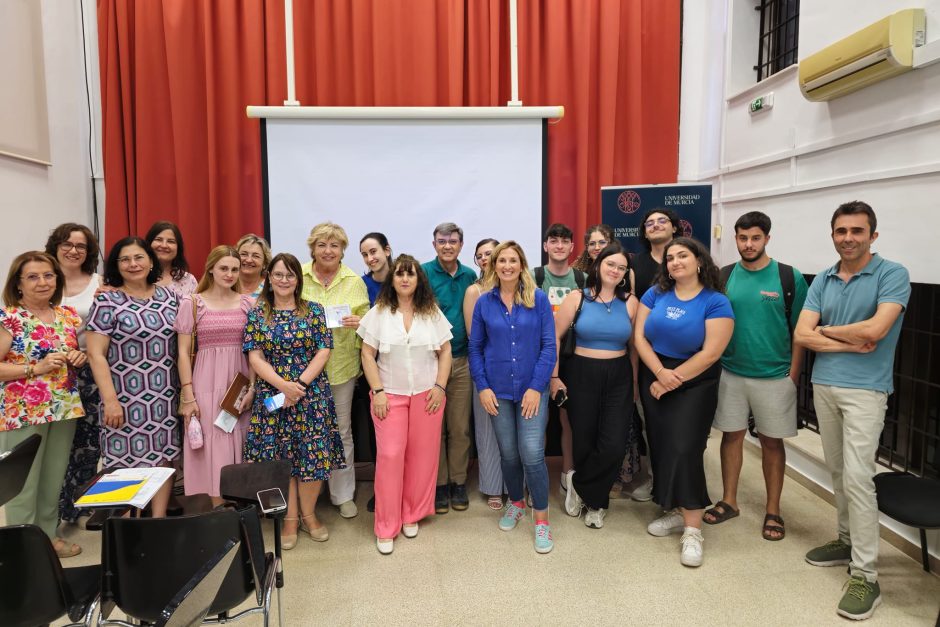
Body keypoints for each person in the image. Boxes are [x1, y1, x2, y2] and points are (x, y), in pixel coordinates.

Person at [794, 201, 910, 621]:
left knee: (860, 478)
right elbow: (802, 334)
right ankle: (845, 539)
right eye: (841, 231)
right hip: (824, 385)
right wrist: (844, 338)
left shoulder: (891, 274)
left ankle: (866, 576)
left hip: (866, 391)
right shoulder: (823, 278)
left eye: (857, 231)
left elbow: (877, 330)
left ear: (872, 236)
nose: (848, 238)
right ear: (833, 235)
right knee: (839, 471)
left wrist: (825, 330)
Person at [705, 211, 808, 542]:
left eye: (755, 238)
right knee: (731, 437)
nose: (748, 244)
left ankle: (773, 510)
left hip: (775, 375)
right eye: (742, 238)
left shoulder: (789, 278)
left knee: (771, 442)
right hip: (731, 372)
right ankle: (729, 501)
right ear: (735, 238)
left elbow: (801, 332)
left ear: (767, 238)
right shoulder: (723, 276)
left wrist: (793, 374)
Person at [634, 237, 734, 567]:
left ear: (700, 261)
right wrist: (660, 373)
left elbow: (712, 352)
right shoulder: (655, 293)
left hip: (695, 381)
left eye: (683, 256)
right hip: (656, 373)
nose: (675, 261)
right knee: (661, 446)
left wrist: (673, 379)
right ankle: (676, 509)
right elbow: (639, 336)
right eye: (671, 257)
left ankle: (693, 529)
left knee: (685, 448)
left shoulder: (716, 301)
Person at [244, 253, 345, 548]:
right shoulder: (258, 313)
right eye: (278, 274)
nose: (284, 280)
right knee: (282, 457)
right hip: (273, 395)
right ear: (269, 279)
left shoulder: (314, 310)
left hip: (310, 394)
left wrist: (298, 385)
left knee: (311, 456)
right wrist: (283, 387)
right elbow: (255, 356)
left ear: (298, 280)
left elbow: (323, 350)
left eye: (290, 275)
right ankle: (289, 518)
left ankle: (309, 515)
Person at [358, 254, 453, 554]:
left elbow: (446, 351)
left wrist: (440, 386)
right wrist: (379, 390)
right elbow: (366, 354)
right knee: (390, 456)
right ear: (392, 279)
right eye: (399, 274)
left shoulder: (431, 312)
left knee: (421, 457)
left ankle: (411, 513)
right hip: (390, 396)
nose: (404, 279)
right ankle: (387, 525)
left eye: (410, 274)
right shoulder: (379, 313)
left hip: (427, 395)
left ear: (418, 279)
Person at [468, 241, 557, 553]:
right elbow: (475, 347)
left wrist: (536, 387)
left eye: (513, 260)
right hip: (497, 391)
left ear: (522, 265)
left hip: (533, 389)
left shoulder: (539, 299)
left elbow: (549, 347)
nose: (507, 266)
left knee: (532, 453)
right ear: (493, 266)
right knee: (508, 453)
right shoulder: (483, 302)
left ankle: (542, 519)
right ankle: (517, 503)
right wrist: (482, 386)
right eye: (501, 260)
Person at [86, 237, 180, 517]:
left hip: (165, 396)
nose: (133, 264)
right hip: (124, 397)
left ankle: (159, 519)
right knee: (125, 463)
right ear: (116, 265)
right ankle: (127, 527)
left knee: (164, 459)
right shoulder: (107, 300)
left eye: (139, 257)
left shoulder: (170, 297)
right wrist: (110, 400)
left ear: (151, 261)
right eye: (125, 259)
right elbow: (95, 354)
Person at [0, 251, 86, 558]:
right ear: (18, 283)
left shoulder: (68, 315)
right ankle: (21, 548)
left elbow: (74, 356)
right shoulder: (9, 317)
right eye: (33, 277)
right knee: (22, 482)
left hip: (63, 406)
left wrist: (78, 357)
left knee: (53, 477)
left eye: (48, 275)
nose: (42, 282)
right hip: (22, 411)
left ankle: (48, 538)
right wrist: (34, 369)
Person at [552, 243, 638, 529]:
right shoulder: (577, 298)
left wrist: (635, 383)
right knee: (585, 439)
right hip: (581, 372)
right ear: (598, 266)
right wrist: (554, 377)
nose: (615, 270)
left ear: (626, 274)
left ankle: (579, 483)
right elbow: (555, 337)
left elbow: (635, 348)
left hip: (619, 375)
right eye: (610, 264)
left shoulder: (631, 303)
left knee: (613, 444)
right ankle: (597, 503)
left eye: (621, 267)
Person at [175, 246, 256, 506]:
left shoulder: (248, 303)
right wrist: (189, 395)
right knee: (213, 442)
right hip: (206, 381)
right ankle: (218, 507)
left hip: (239, 381)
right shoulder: (193, 303)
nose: (230, 274)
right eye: (224, 268)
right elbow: (183, 352)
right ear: (210, 268)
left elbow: (254, 350)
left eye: (235, 269)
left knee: (239, 436)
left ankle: (241, 504)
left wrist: (253, 386)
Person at [300, 222, 369, 519]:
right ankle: (306, 499)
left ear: (342, 250)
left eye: (334, 245)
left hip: (341, 369)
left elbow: (370, 324)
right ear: (312, 248)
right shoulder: (297, 276)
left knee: (341, 433)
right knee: (303, 434)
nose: (328, 251)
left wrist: (360, 324)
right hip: (300, 371)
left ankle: (343, 495)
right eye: (322, 245)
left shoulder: (354, 281)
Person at [617, 207, 681, 501]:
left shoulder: (686, 259)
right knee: (651, 421)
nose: (655, 226)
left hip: (684, 356)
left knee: (681, 425)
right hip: (646, 355)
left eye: (662, 221)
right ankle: (657, 479)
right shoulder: (635, 266)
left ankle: (680, 483)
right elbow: (631, 317)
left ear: (675, 228)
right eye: (650, 223)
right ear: (643, 232)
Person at [43, 224, 104, 525]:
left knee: (87, 444)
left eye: (81, 246)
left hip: (88, 370)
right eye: (67, 244)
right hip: (47, 373)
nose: (74, 250)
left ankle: (77, 507)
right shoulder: (43, 281)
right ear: (55, 246)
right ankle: (49, 511)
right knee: (52, 446)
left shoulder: (99, 282)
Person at [422, 222, 477, 513]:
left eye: (452, 241)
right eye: (441, 241)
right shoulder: (423, 273)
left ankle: (457, 482)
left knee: (459, 428)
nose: (447, 246)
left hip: (463, 361)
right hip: (430, 364)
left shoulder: (471, 276)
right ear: (434, 245)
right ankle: (439, 484)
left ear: (460, 245)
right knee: (434, 428)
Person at [532, 223, 584, 494]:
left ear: (572, 246)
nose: (559, 246)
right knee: (537, 421)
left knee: (568, 419)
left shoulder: (583, 279)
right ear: (546, 246)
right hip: (539, 356)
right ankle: (535, 477)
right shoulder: (534, 276)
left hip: (571, 357)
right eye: (554, 241)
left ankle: (568, 474)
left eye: (565, 241)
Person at [462, 237, 505, 510]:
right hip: (486, 366)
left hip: (517, 367)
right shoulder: (473, 292)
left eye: (490, 253)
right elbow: (472, 337)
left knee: (515, 430)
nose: (485, 258)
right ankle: (492, 486)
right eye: (480, 255)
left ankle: (515, 482)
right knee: (487, 429)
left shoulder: (521, 288)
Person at [145, 221, 197, 297]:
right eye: (159, 239)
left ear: (178, 248)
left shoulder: (188, 280)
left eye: (171, 241)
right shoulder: (139, 276)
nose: (164, 245)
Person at [235, 233, 271, 302]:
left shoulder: (271, 288)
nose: (249, 260)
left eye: (256, 256)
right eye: (244, 254)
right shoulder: (226, 284)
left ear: (264, 263)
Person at [359, 232, 393, 306]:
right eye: (365, 255)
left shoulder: (403, 280)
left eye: (373, 252)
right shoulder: (361, 284)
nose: (369, 259)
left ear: (387, 251)